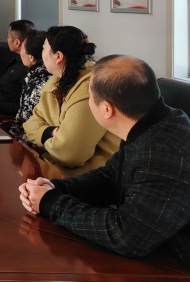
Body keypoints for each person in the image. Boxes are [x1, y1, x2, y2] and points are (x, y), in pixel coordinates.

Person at [19, 55, 190, 281]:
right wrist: (54, 188)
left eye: (90, 96)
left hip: (184, 273)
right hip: (160, 247)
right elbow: (111, 177)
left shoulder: (165, 154)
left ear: (107, 109)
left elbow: (127, 236)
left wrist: (52, 203)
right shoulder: (156, 123)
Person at [23, 26, 120, 175]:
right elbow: (30, 124)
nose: (41, 54)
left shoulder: (91, 88)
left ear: (58, 56)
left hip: (90, 177)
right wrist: (51, 132)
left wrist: (42, 136)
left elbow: (70, 154)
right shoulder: (56, 81)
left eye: (43, 48)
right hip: (55, 168)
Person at [0, 19, 35, 116]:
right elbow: (1, 84)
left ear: (17, 42)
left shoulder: (29, 69)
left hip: (1, 114)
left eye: (8, 37)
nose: (7, 40)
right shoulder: (16, 60)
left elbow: (23, 107)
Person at [6, 30, 50, 144]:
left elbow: (31, 123)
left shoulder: (42, 83)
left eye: (22, 48)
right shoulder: (33, 76)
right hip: (19, 137)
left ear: (31, 57)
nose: (20, 52)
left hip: (29, 144)